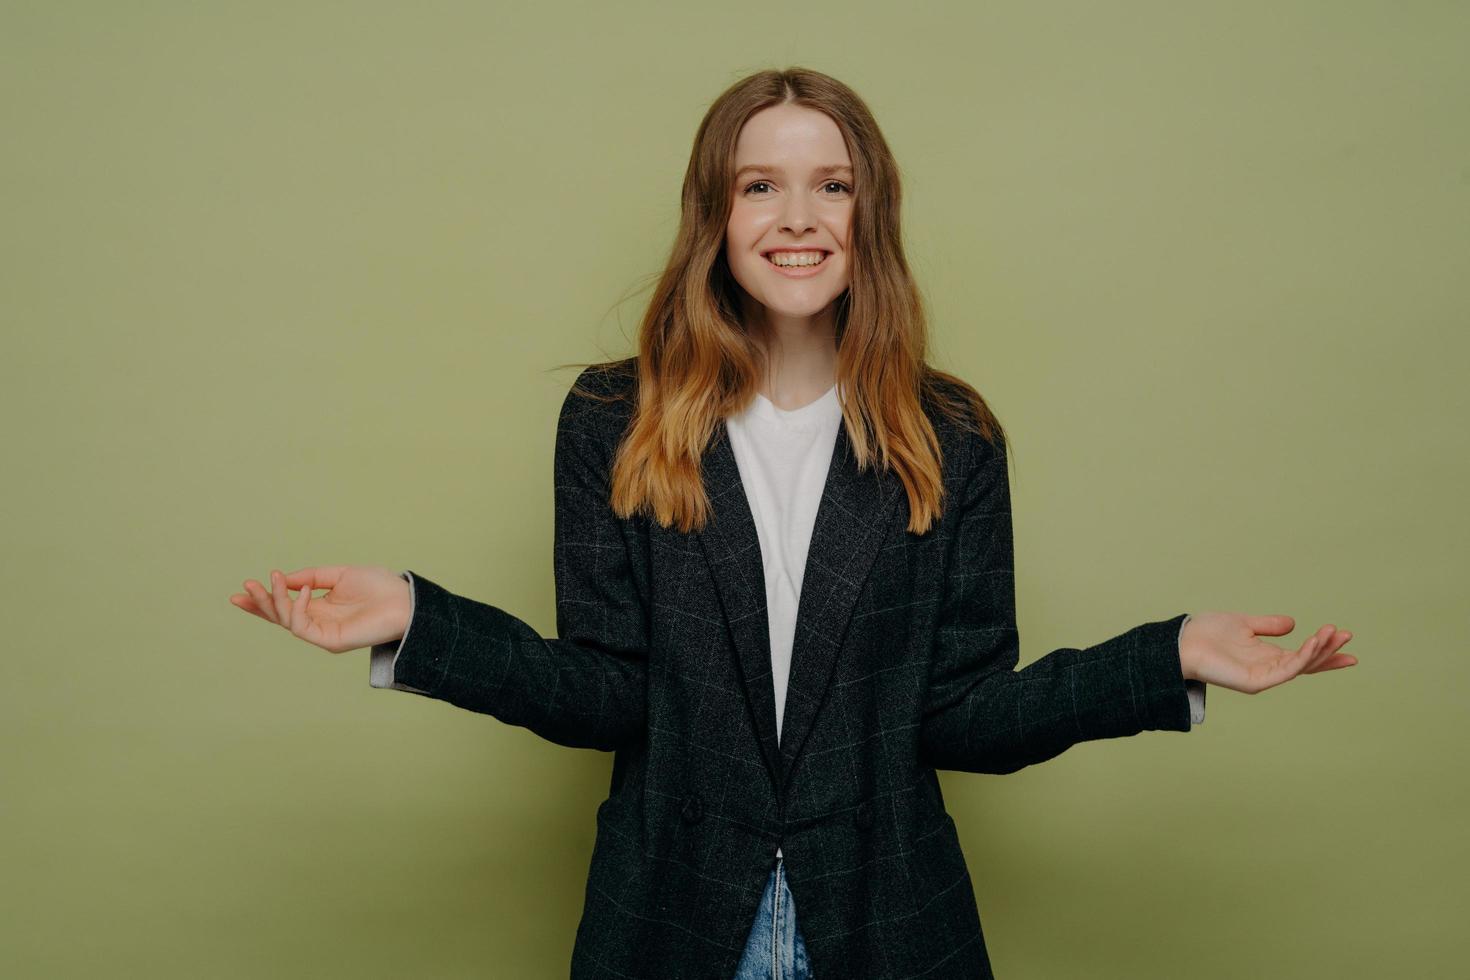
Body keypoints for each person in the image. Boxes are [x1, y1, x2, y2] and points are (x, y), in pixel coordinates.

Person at [229, 67, 1358, 979]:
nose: (799, 217)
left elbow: (967, 715)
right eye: (760, 185)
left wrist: (1166, 658)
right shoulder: (612, 418)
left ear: (871, 213)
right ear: (714, 215)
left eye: (834, 185)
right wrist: (421, 620)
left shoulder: (952, 435)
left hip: (890, 924)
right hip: (669, 921)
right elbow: (610, 690)